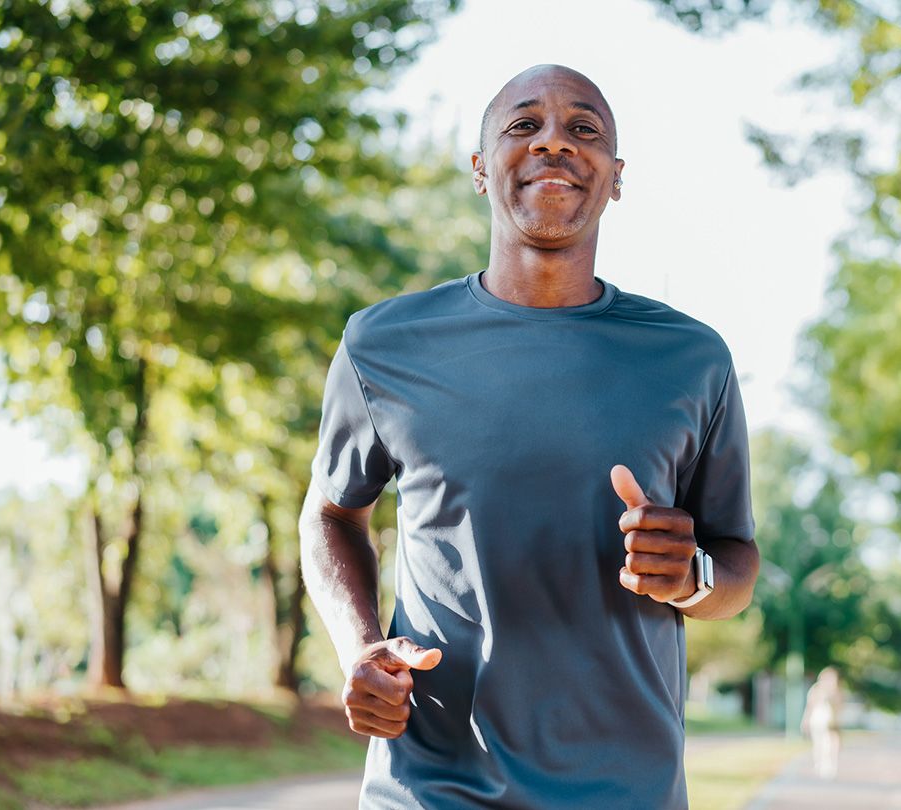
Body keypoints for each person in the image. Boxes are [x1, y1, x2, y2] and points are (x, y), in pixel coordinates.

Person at [300, 64, 760, 809]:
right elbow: (329, 515)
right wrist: (359, 649)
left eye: (584, 130)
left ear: (615, 178)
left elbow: (735, 565)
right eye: (524, 126)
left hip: (626, 792)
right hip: (431, 789)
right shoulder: (381, 344)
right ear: (481, 170)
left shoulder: (692, 359)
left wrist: (690, 577)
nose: (554, 143)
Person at [801, 667, 844, 780]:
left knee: (832, 743)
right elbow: (810, 706)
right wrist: (805, 720)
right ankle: (820, 764)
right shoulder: (816, 690)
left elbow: (839, 707)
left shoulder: (836, 691)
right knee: (819, 743)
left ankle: (831, 765)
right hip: (818, 721)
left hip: (831, 721)